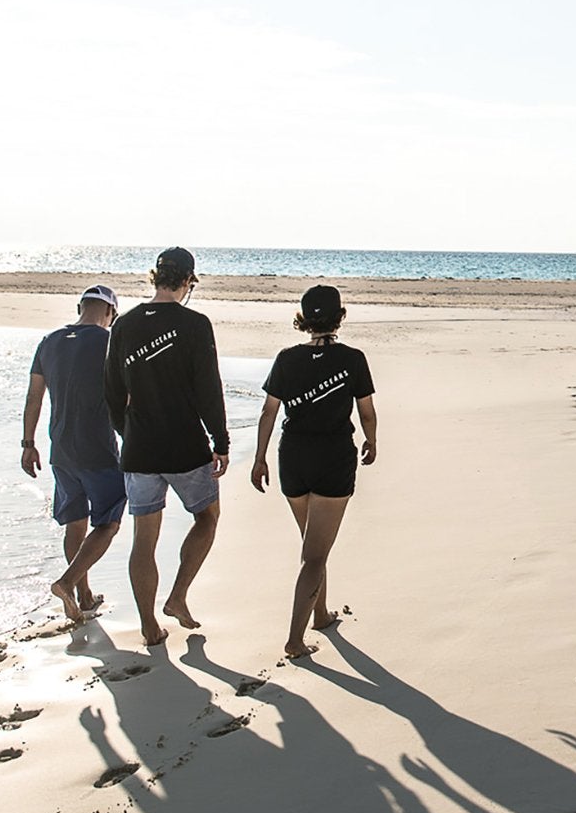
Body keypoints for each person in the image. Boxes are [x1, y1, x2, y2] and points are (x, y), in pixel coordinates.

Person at [104, 246, 230, 647]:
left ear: (154, 277)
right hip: (184, 445)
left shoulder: (124, 324)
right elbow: (208, 388)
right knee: (207, 518)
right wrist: (220, 439)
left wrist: (128, 433)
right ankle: (176, 596)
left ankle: (148, 626)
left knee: (144, 538)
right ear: (188, 281)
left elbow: (111, 391)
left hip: (140, 450)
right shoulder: (195, 323)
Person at [250, 284, 376, 659]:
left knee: (312, 544)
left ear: (303, 319)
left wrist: (259, 459)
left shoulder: (287, 359)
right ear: (339, 316)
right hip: (333, 460)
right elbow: (366, 411)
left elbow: (268, 413)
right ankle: (294, 639)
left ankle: (320, 613)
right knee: (315, 555)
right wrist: (372, 439)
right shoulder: (353, 359)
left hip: (293, 459)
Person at [22, 284, 125, 625]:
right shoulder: (108, 341)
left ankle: (83, 594)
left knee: (75, 523)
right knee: (108, 522)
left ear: (80, 306)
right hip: (96, 446)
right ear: (110, 312)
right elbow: (125, 396)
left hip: (60, 449)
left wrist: (28, 444)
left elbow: (34, 397)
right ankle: (67, 583)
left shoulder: (49, 342)